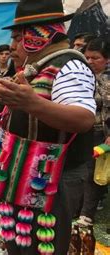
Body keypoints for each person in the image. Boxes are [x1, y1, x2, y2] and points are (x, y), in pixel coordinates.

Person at [0, 0, 96, 253]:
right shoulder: (36, 67)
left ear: (41, 35)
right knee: (19, 242)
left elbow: (84, 119)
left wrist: (32, 103)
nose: (13, 45)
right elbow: (18, 109)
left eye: (19, 37)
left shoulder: (70, 66)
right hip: (25, 172)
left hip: (53, 177)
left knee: (42, 246)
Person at [77, 37, 110, 226]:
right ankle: (82, 210)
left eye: (95, 58)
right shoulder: (83, 76)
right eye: (87, 57)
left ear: (107, 59)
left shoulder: (107, 79)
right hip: (85, 130)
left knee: (95, 174)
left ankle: (87, 214)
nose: (89, 62)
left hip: (102, 132)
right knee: (86, 171)